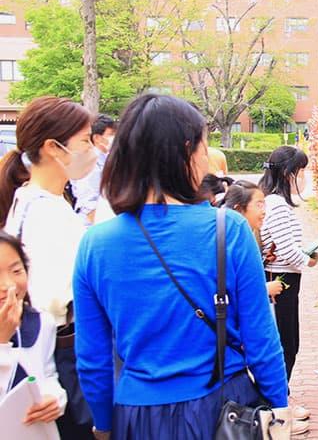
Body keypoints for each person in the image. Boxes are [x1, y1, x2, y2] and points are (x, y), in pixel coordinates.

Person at [73, 94, 289, 439]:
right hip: (221, 411)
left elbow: (93, 357)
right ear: (187, 149)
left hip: (137, 413)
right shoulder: (228, 229)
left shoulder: (94, 244)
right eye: (205, 145)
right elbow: (261, 337)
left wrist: (103, 423)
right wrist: (279, 409)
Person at [0, 96, 96, 439]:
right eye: (85, 141)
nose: (93, 150)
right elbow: (42, 310)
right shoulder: (45, 214)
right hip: (60, 362)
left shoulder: (35, 201)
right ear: (54, 148)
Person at [259, 145, 317, 431]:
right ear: (288, 174)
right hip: (280, 280)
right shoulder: (276, 205)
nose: (304, 177)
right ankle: (278, 404)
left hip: (282, 276)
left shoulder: (272, 203)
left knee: (285, 341)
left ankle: (281, 398)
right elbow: (287, 250)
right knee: (286, 344)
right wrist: (310, 259)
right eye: (302, 171)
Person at [0, 231, 67, 427]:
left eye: (16, 271)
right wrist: (2, 341)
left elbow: (47, 374)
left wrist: (55, 399)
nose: (9, 285)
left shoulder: (40, 322)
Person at [223, 182, 283, 301]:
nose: (264, 211)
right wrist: (264, 289)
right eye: (258, 205)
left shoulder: (247, 235)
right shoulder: (227, 242)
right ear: (239, 209)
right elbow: (228, 287)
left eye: (264, 205)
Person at [70, 114, 117, 226]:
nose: (115, 138)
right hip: (93, 225)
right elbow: (89, 203)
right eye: (111, 134)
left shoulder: (107, 159)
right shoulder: (91, 163)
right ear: (97, 138)